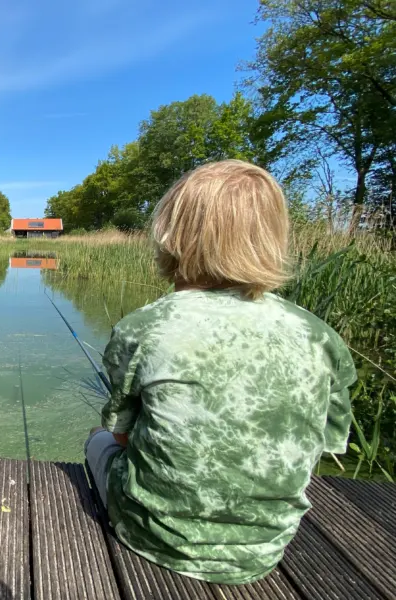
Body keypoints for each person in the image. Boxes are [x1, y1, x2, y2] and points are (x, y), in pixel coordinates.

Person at [85, 160, 355, 585]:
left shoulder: (145, 327)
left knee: (97, 438)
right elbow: (328, 442)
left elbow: (121, 434)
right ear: (272, 237)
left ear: (172, 235)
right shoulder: (319, 335)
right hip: (263, 552)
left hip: (152, 537)